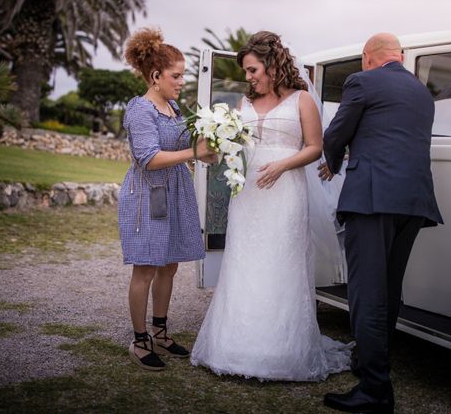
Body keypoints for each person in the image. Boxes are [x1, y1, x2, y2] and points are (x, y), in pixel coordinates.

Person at [190, 31, 352, 381]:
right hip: (248, 193)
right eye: (246, 72)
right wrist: (214, 146)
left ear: (272, 65)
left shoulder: (302, 101)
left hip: (285, 191)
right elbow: (230, 145)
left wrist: (282, 165)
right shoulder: (242, 105)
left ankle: (281, 351)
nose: (248, 78)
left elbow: (313, 146)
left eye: (252, 70)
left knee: (281, 262)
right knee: (244, 261)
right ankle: (234, 346)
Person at [322, 33, 443, 413]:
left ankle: (375, 389)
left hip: (373, 200)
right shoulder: (422, 92)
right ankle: (368, 365)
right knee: (389, 290)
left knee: (366, 293)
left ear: (367, 58)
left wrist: (336, 160)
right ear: (400, 57)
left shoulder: (363, 81)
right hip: (414, 202)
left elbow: (335, 133)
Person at [119, 27, 215, 371]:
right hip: (149, 193)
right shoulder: (140, 109)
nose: (181, 81)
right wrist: (194, 151)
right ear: (156, 76)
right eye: (177, 75)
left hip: (176, 190)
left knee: (169, 264)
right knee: (145, 266)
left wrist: (216, 140)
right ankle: (139, 338)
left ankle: (160, 330)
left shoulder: (174, 106)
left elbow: (195, 144)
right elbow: (148, 157)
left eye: (183, 74)